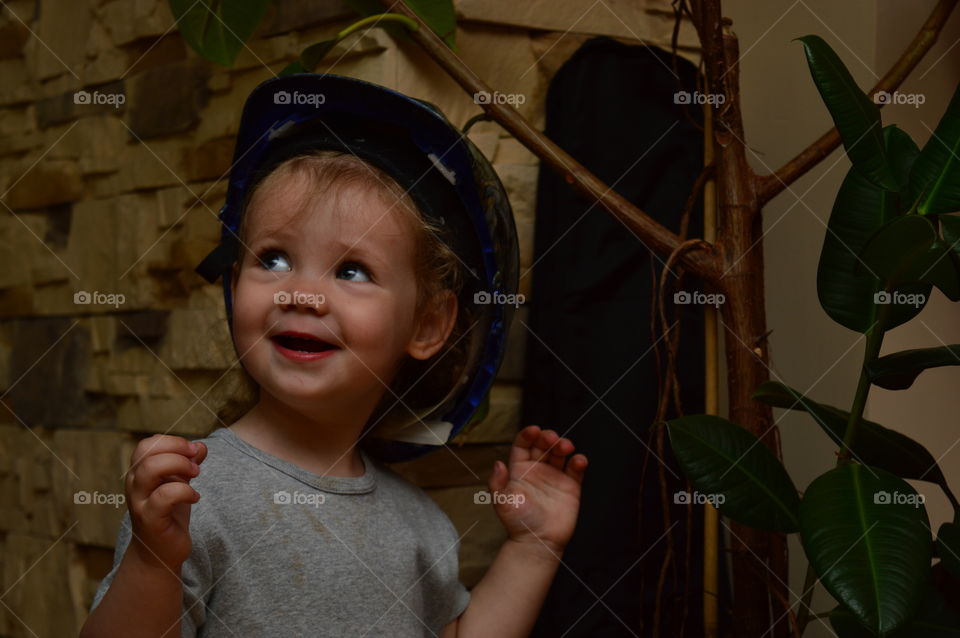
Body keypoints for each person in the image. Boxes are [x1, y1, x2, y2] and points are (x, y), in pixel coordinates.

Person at [80, 73, 588, 638]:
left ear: (428, 324)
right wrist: (153, 564)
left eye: (352, 270)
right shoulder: (193, 495)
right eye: (273, 259)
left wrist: (533, 549)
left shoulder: (420, 526)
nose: (302, 294)